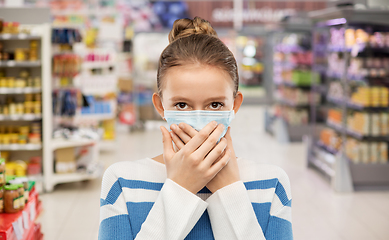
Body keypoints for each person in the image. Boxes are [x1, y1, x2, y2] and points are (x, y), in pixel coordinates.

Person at [99, 17, 292, 240]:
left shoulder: (272, 184)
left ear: (235, 105)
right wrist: (180, 188)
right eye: (182, 105)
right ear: (161, 106)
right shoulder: (122, 182)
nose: (199, 121)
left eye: (215, 104)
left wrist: (229, 192)